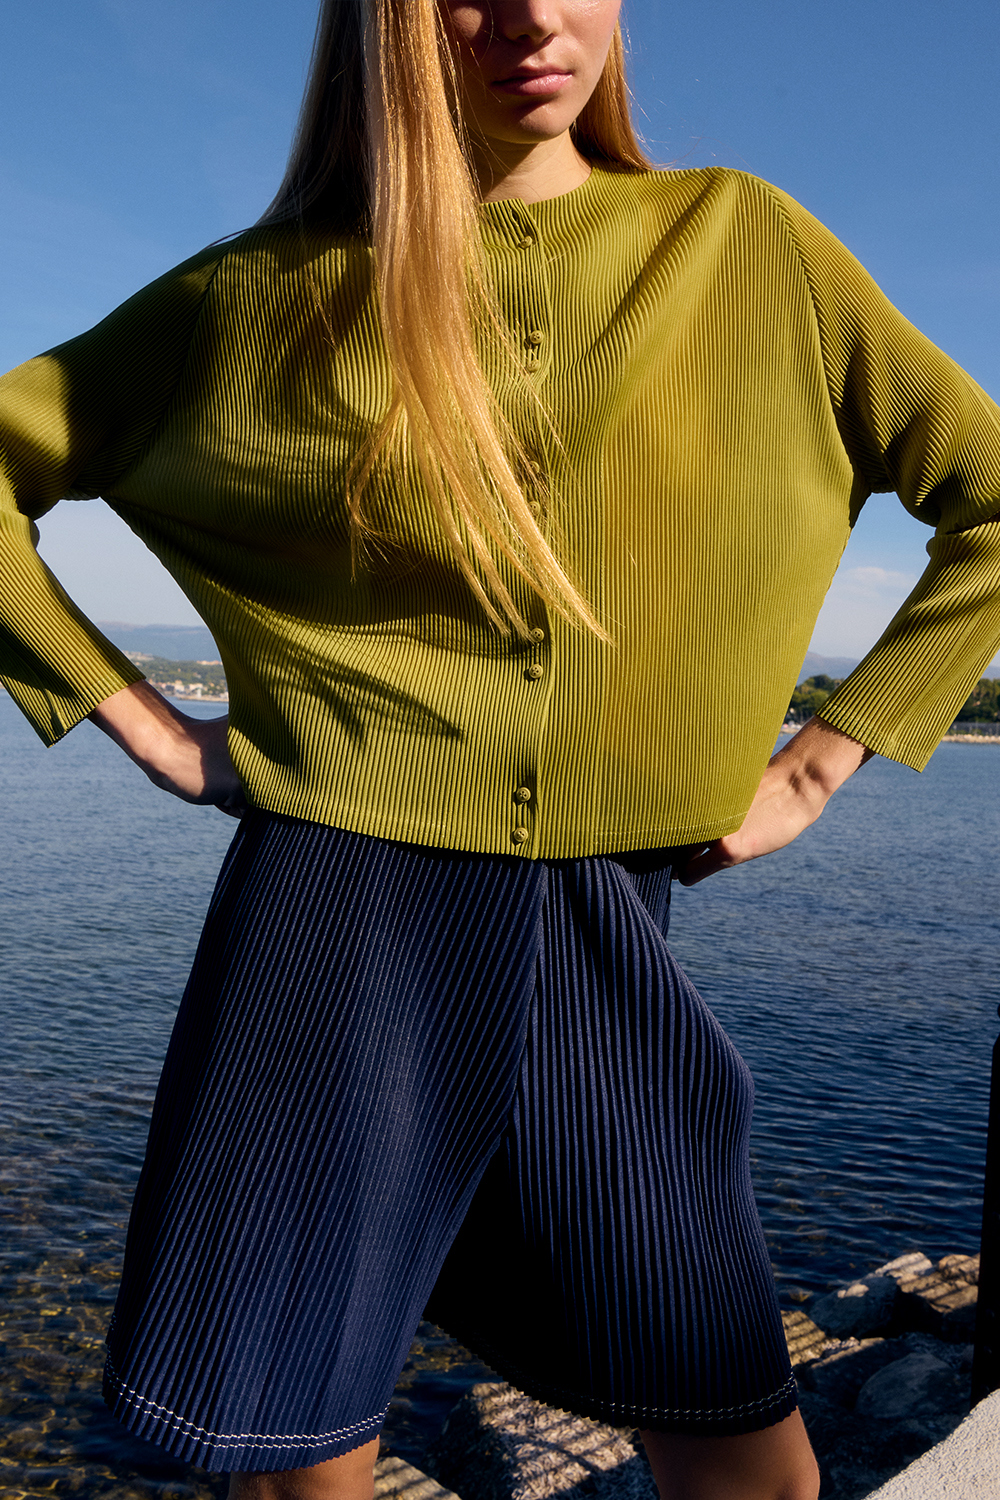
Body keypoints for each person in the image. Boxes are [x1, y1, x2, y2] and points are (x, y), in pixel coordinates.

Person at [3, 1, 1000, 1497]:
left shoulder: (744, 244)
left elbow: (988, 497)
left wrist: (820, 758)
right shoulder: (264, 289)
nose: (533, 15)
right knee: (295, 1437)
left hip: (605, 916)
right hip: (332, 911)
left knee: (729, 1415)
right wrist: (137, 719)